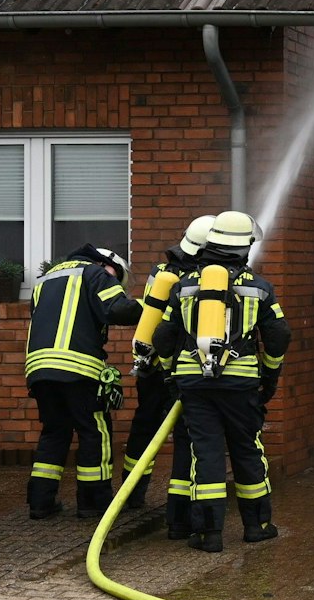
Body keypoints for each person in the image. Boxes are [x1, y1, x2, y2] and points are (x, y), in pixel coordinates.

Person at [149, 211, 289, 552]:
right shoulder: (260, 288)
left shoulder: (184, 286)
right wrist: (269, 375)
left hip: (194, 384)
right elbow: (279, 335)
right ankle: (257, 526)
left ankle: (208, 534)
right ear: (244, 248)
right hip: (241, 384)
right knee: (247, 449)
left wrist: (170, 373)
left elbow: (163, 336)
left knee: (205, 453)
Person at [24, 243, 140, 519]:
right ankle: (94, 502)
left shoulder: (46, 279)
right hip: (78, 368)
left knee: (54, 431)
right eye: (116, 276)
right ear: (106, 264)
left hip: (40, 369)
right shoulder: (94, 273)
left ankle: (40, 503)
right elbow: (117, 309)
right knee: (94, 431)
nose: (115, 282)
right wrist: (153, 306)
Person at [113, 215, 212, 529]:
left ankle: (132, 493)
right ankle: (182, 514)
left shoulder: (162, 272)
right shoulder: (205, 279)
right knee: (187, 438)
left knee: (145, 428)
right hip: (183, 369)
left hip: (150, 365)